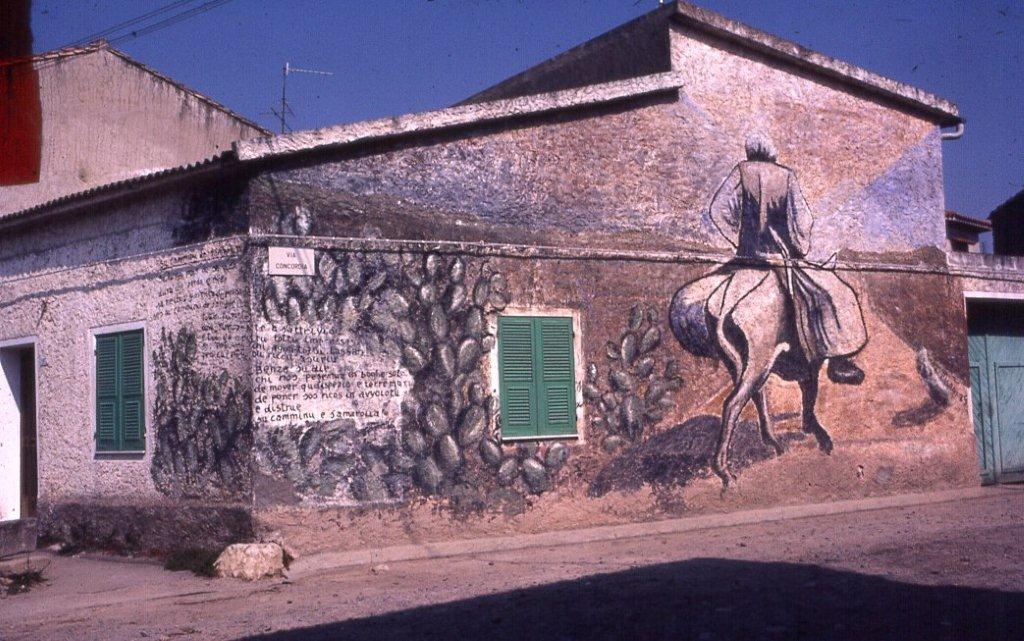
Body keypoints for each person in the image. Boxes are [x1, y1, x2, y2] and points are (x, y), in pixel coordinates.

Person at [708, 133, 867, 384]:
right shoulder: (786, 176)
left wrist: (737, 238)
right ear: (771, 152)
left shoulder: (741, 171)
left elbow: (717, 210)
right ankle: (837, 360)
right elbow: (803, 220)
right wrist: (799, 247)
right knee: (836, 292)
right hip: (779, 259)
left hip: (746, 256)